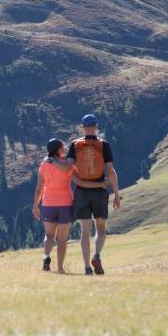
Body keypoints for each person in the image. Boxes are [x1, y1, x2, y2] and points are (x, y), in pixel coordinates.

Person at [68, 114, 121, 275]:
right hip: (99, 191)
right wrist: (116, 194)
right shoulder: (103, 145)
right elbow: (110, 171)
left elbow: (68, 169)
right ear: (96, 128)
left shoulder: (75, 145)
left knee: (85, 231)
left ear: (82, 128)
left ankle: (86, 267)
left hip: (82, 192)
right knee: (100, 228)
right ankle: (97, 255)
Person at [31, 138, 75, 273]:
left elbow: (39, 189)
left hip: (48, 204)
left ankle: (46, 256)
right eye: (63, 147)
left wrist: (35, 206)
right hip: (66, 203)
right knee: (62, 239)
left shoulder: (43, 166)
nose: (65, 149)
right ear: (58, 150)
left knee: (49, 236)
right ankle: (60, 268)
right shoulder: (67, 164)